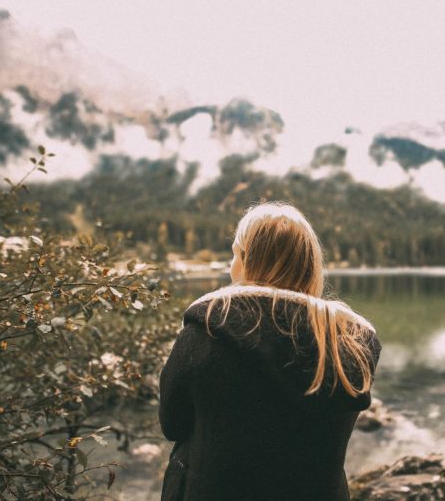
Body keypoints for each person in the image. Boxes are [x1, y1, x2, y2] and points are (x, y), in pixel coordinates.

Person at [159, 202, 382, 501]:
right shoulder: (350, 341)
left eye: (235, 254)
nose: (231, 265)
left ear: (246, 259)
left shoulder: (207, 328)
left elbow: (172, 424)